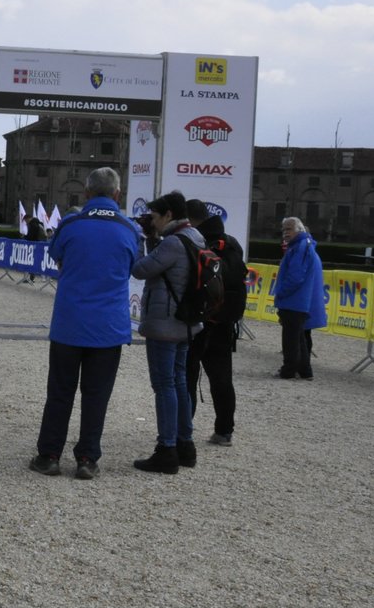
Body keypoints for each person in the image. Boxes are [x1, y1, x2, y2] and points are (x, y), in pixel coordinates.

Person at [30, 167, 142, 480]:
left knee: (60, 392)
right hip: (109, 326)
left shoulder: (71, 223)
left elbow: (57, 257)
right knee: (97, 395)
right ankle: (87, 458)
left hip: (70, 322)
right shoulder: (129, 229)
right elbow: (133, 265)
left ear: (87, 193)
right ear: (118, 194)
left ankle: (49, 455)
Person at [130, 190, 205, 475]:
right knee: (179, 382)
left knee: (164, 386)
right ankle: (185, 445)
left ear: (168, 215)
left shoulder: (173, 243)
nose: (152, 222)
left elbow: (140, 270)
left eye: (154, 217)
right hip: (186, 321)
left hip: (165, 322)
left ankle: (167, 449)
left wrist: (139, 240)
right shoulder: (194, 236)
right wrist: (153, 238)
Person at [185, 199, 247, 447]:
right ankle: (224, 431)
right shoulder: (231, 243)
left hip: (198, 320)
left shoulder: (195, 242)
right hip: (224, 321)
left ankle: (183, 429)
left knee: (188, 376)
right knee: (222, 378)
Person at [273, 216, 328, 380]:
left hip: (294, 301)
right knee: (300, 339)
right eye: (284, 229)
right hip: (300, 302)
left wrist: (280, 291)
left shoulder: (300, 248)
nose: (285, 233)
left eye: (288, 229)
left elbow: (295, 277)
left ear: (299, 229)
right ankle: (305, 371)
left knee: (291, 340)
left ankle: (288, 371)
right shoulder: (305, 246)